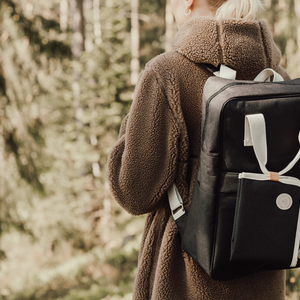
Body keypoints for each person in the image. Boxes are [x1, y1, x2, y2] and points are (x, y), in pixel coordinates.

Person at [108, 0, 290, 298]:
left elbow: (135, 192)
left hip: (185, 278)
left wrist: (131, 123)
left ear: (188, 2)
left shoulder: (167, 72)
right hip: (263, 279)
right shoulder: (276, 75)